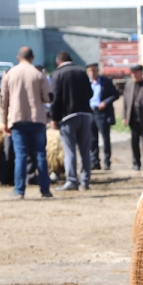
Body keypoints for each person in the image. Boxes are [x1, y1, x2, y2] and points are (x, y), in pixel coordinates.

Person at [0, 47, 53, 199]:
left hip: (17, 119)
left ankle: (19, 190)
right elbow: (48, 98)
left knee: (21, 155)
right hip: (37, 119)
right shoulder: (38, 73)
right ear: (33, 58)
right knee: (40, 155)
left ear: (18, 57)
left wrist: (5, 122)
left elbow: (4, 101)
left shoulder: (9, 74)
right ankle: (45, 190)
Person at [50, 51, 93, 191]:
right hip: (86, 115)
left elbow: (55, 98)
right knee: (85, 150)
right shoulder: (82, 72)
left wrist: (54, 118)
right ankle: (85, 181)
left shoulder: (57, 74)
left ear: (58, 62)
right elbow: (90, 93)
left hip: (68, 117)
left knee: (70, 151)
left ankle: (72, 180)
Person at [122, 64, 143, 170]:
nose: (133, 75)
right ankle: (136, 163)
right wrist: (124, 117)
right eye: (132, 73)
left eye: (135, 73)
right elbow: (125, 103)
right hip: (133, 119)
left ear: (141, 73)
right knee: (134, 142)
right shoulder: (129, 85)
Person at [86, 63, 120, 170]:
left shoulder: (106, 82)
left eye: (94, 70)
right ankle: (95, 161)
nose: (93, 73)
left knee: (105, 138)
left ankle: (107, 161)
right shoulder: (86, 83)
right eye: (90, 71)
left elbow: (116, 94)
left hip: (102, 113)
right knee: (92, 139)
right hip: (91, 112)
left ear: (98, 70)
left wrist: (105, 102)